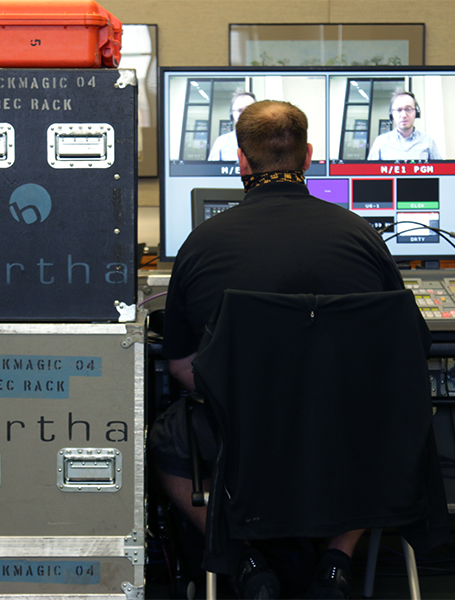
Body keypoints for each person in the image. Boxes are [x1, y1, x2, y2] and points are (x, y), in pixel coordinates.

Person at [150, 100, 407, 599]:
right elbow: (399, 353)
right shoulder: (362, 236)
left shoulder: (201, 244)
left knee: (166, 438)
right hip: (347, 436)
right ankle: (336, 563)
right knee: (378, 430)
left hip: (240, 437)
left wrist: (240, 400)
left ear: (242, 161)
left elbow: (182, 363)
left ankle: (244, 558)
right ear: (308, 156)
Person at [366, 91, 442, 161]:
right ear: (391, 114)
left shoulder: (428, 141)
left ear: (416, 113)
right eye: (399, 110)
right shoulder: (380, 142)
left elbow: (440, 172)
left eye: (408, 109)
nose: (404, 115)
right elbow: (370, 173)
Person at [207, 91, 256, 161]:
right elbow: (211, 171)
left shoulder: (270, 142)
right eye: (239, 110)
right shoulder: (221, 142)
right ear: (232, 115)